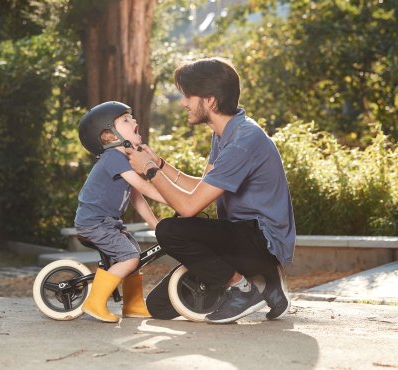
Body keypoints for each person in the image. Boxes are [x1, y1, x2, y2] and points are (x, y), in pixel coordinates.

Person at [126, 57, 296, 324]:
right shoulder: (224, 133)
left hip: (260, 241)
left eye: (188, 96)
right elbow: (200, 189)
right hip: (239, 236)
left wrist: (149, 171)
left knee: (170, 229)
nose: (183, 103)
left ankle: (243, 288)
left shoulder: (242, 142)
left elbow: (190, 206)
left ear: (211, 101)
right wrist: (159, 164)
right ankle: (267, 283)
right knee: (160, 306)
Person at [74, 101, 166, 323]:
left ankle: (132, 305)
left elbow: (137, 197)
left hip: (108, 223)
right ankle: (95, 303)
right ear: (109, 135)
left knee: (135, 255)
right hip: (94, 223)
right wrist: (172, 197)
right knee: (130, 257)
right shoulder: (113, 157)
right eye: (125, 120)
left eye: (131, 118)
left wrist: (156, 225)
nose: (134, 121)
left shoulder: (123, 159)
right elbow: (144, 186)